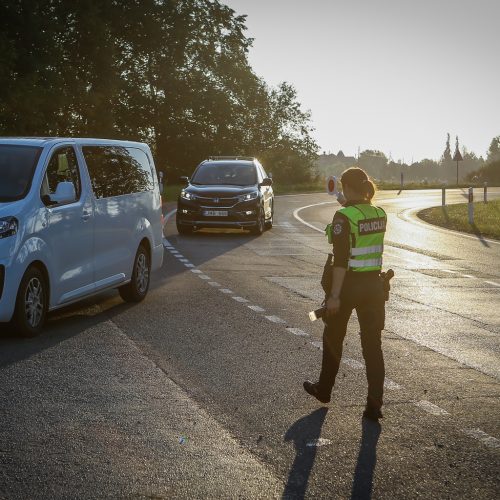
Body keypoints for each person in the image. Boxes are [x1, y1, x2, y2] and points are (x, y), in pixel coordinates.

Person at [303, 167, 387, 421]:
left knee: (333, 339)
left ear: (347, 187)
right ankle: (374, 405)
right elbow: (360, 219)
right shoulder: (379, 213)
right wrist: (346, 202)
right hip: (374, 287)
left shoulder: (343, 217)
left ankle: (324, 390)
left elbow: (340, 260)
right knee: (372, 347)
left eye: (342, 186)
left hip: (348, 287)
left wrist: (335, 296)